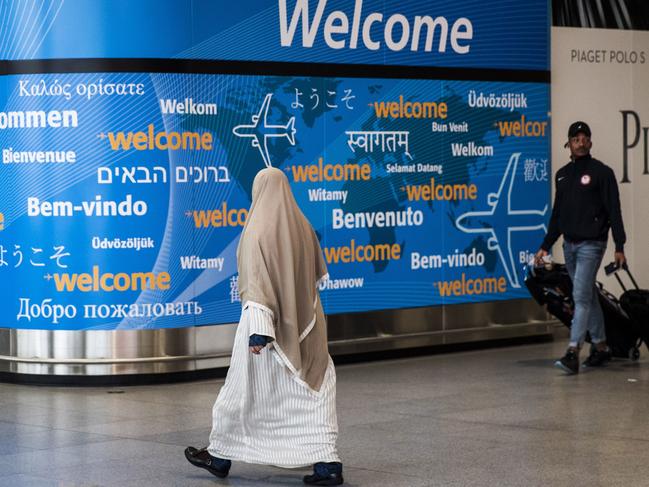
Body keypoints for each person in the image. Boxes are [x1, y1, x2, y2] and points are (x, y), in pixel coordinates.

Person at [185, 167, 343, 486]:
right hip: (306, 326)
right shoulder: (302, 224)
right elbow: (314, 274)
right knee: (312, 393)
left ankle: (219, 456)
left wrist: (260, 331)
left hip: (267, 331)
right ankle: (328, 464)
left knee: (241, 394)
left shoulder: (256, 230)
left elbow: (256, 286)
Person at [534, 121, 626, 374]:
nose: (581, 141)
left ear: (591, 142)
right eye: (576, 138)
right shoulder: (562, 175)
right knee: (587, 295)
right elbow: (558, 215)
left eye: (585, 137)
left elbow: (614, 211)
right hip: (570, 245)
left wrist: (620, 245)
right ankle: (601, 346)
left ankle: (573, 351)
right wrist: (545, 245)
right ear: (569, 144)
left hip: (591, 245)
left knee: (581, 297)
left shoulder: (602, 173)